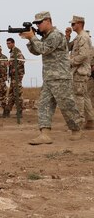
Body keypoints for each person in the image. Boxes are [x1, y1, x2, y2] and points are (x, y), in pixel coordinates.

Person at [20, 11, 82, 145]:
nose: (38, 25)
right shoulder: (46, 36)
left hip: (60, 77)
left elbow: (43, 49)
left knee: (67, 105)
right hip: (49, 77)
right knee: (44, 105)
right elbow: (36, 51)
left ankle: (76, 129)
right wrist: (31, 39)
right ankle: (45, 134)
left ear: (48, 21)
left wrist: (33, 37)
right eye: (36, 23)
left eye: (39, 22)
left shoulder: (55, 35)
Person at [65, 15, 94, 129]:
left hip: (80, 71)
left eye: (73, 24)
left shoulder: (83, 37)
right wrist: (67, 36)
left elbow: (83, 55)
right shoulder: (78, 38)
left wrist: (70, 62)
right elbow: (67, 47)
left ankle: (79, 124)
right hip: (79, 71)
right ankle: (91, 121)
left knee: (78, 97)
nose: (72, 26)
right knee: (84, 96)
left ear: (80, 24)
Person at [3, 38, 25, 118]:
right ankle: (7, 111)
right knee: (11, 94)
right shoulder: (12, 52)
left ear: (13, 43)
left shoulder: (16, 51)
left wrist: (14, 68)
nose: (8, 45)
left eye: (9, 43)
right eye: (7, 43)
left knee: (17, 94)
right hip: (13, 77)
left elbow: (21, 60)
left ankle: (19, 112)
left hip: (17, 76)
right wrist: (9, 63)